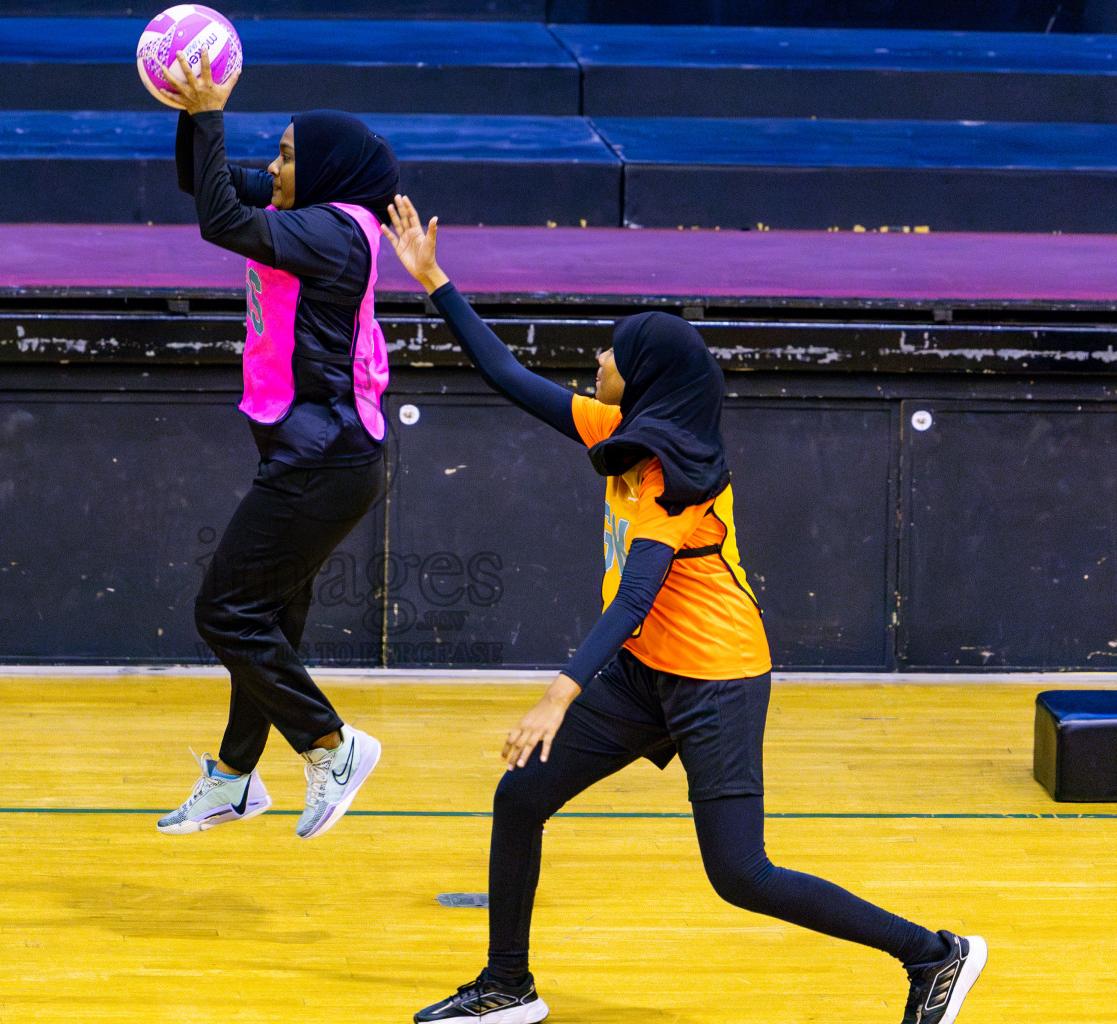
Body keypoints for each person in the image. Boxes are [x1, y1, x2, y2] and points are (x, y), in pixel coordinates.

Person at [379, 196, 986, 1024]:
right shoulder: (620, 429)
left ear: (647, 379)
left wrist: (560, 690)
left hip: (715, 680)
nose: (597, 357)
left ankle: (934, 954)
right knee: (520, 797)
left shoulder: (677, 474)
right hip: (644, 676)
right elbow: (508, 377)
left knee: (740, 873)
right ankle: (506, 987)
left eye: (612, 351)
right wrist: (434, 279)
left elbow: (637, 593)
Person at [150, 53, 397, 840]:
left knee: (224, 610)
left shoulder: (331, 232)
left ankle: (333, 744)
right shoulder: (311, 212)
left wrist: (216, 113)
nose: (273, 165)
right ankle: (232, 778)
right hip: (315, 452)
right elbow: (208, 190)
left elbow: (221, 222)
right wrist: (194, 111)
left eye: (287, 154)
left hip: (324, 458)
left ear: (324, 168)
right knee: (268, 619)